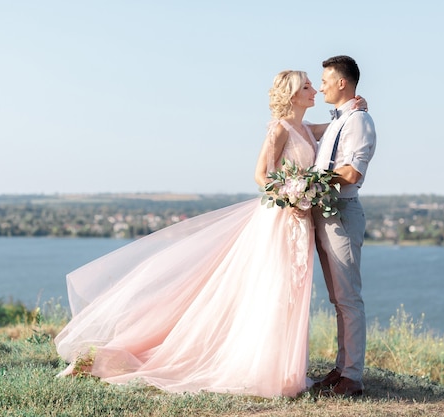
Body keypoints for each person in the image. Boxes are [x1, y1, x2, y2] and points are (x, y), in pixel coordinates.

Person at [54, 69, 365, 398]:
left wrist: (353, 107)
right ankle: (260, 367)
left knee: (291, 293)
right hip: (281, 220)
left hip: (299, 221)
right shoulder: (279, 129)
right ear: (292, 94)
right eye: (306, 86)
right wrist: (290, 196)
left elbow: (334, 127)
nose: (314, 89)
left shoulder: (305, 127)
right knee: (273, 290)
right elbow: (261, 176)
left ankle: (282, 367)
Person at [311, 55, 376, 397]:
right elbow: (297, 129)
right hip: (323, 212)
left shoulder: (360, 122)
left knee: (348, 298)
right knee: (338, 299)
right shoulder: (338, 120)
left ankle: (353, 375)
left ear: (342, 82)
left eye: (325, 79)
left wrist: (307, 180)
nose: (320, 85)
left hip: (342, 212)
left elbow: (352, 173)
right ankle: (342, 367)